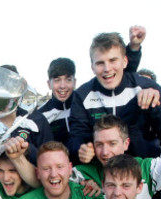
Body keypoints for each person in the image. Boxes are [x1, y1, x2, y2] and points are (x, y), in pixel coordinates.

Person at [38, 26, 145, 154]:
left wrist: (133, 49)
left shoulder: (83, 100)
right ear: (48, 84)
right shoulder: (42, 115)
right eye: (56, 80)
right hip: (64, 169)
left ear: (75, 81)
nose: (62, 86)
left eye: (68, 80)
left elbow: (122, 76)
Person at [68, 29, 161, 160]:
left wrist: (155, 105)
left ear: (125, 61)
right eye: (100, 63)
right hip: (103, 172)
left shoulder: (148, 87)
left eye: (113, 60)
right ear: (92, 67)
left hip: (143, 169)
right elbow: (76, 136)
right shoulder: (82, 95)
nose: (107, 69)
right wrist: (81, 149)